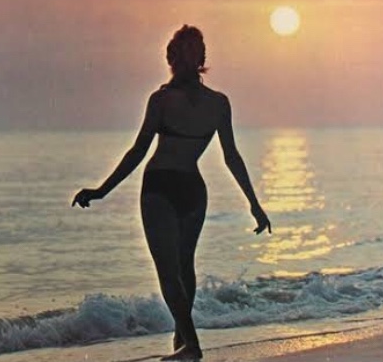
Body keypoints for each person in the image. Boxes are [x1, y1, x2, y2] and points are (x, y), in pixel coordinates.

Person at [72, 25, 271, 362]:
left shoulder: (192, 102)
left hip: (177, 189)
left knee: (176, 269)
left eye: (194, 50)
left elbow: (227, 156)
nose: (190, 56)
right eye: (187, 50)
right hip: (175, 188)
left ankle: (187, 342)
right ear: (180, 56)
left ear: (188, 57)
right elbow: (142, 151)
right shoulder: (187, 101)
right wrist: (102, 190)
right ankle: (186, 341)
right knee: (175, 268)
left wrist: (254, 204)